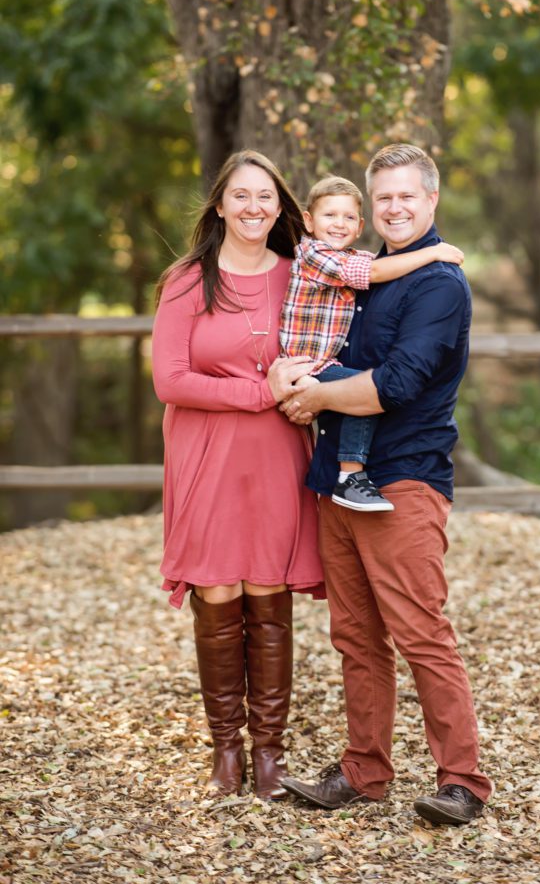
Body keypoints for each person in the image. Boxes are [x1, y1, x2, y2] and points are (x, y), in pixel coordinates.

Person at [280, 144, 493, 825]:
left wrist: (314, 396)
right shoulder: (363, 274)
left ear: (431, 200)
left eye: (408, 196)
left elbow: (397, 385)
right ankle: (363, 771)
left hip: (401, 480)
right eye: (385, 198)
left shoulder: (439, 285)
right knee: (355, 635)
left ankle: (462, 782)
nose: (395, 207)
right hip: (335, 477)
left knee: (420, 632)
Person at [151, 149, 325, 802]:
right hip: (204, 456)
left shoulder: (300, 277)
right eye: (241, 196)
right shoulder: (187, 281)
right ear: (220, 205)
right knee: (218, 592)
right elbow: (169, 380)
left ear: (281, 208)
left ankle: (270, 756)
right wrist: (257, 393)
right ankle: (226, 753)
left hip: (277, 456)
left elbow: (326, 348)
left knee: (268, 590)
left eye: (266, 197)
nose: (254, 208)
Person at [279, 174, 464, 513]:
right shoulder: (315, 254)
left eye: (348, 217)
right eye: (329, 215)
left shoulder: (436, 284)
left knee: (365, 387)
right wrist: (433, 252)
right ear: (308, 220)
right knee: (358, 384)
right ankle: (351, 474)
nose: (339, 224)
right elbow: (374, 273)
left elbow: (392, 385)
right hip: (308, 364)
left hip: (407, 470)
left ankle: (350, 472)